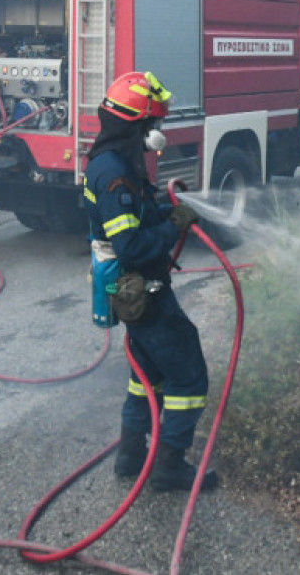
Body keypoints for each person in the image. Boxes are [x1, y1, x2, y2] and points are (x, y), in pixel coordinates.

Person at [83, 70, 216, 492]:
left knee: (148, 373)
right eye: (152, 124)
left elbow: (138, 219)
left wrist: (165, 210)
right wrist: (174, 225)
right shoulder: (116, 176)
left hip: (134, 289)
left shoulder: (115, 163)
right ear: (134, 125)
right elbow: (133, 247)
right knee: (189, 374)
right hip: (142, 288)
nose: (156, 131)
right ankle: (170, 464)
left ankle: (131, 455)